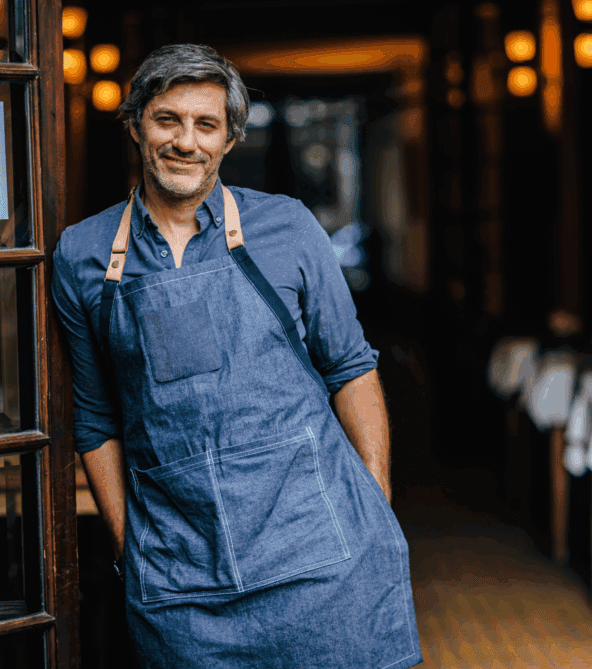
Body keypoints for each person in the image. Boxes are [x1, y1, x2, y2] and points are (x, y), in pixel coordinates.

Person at [51, 43, 421, 669]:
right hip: (182, 579)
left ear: (229, 139)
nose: (185, 141)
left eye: (206, 124)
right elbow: (95, 421)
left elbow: (350, 368)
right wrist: (129, 551)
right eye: (167, 119)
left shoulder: (288, 228)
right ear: (136, 124)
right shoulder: (81, 254)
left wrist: (374, 502)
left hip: (322, 557)